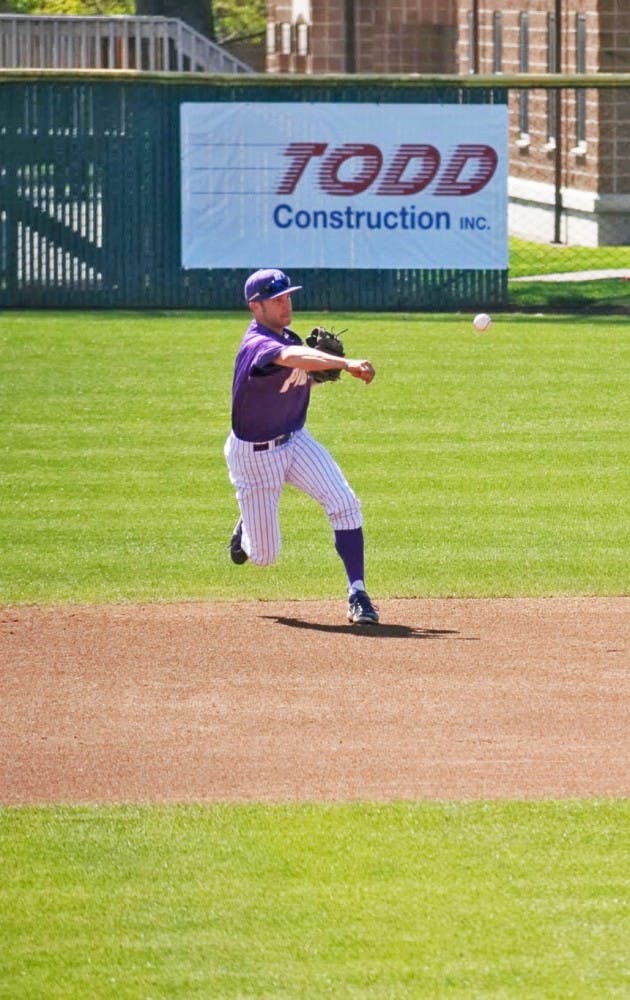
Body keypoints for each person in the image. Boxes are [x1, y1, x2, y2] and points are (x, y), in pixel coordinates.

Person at [224, 267, 379, 625]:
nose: (285, 304)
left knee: (345, 502)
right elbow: (292, 359)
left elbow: (294, 379)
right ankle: (247, 530)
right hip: (255, 458)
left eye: (288, 296)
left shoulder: (288, 336)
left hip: (294, 441)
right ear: (255, 306)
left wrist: (322, 374)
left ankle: (358, 592)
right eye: (276, 299)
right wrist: (345, 363)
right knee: (264, 556)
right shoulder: (258, 344)